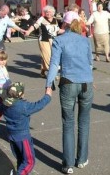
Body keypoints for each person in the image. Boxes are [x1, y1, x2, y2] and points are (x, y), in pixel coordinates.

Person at [45, 19, 93, 174]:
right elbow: (89, 62)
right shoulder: (85, 40)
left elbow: (54, 64)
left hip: (68, 82)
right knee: (84, 122)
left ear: (65, 25)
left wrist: (49, 84)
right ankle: (82, 159)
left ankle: (68, 164)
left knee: (68, 123)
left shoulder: (59, 40)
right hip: (87, 83)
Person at [0, 82, 51, 175]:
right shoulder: (23, 106)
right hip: (23, 137)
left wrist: (1, 98)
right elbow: (38, 105)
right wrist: (48, 96)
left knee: (21, 159)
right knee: (29, 161)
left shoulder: (4, 104)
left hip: (11, 136)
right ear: (21, 94)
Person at [24, 5, 63, 78]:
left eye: (49, 12)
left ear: (53, 13)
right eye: (46, 12)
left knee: (51, 55)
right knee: (48, 56)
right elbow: (35, 25)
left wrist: (67, 31)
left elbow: (57, 30)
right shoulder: (41, 19)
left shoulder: (55, 20)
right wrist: (29, 31)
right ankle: (53, 73)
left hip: (53, 40)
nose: (48, 13)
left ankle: (43, 70)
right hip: (44, 40)